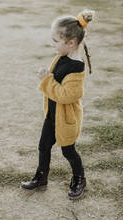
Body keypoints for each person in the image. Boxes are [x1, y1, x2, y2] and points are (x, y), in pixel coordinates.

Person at [21, 10, 95, 200]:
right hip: (52, 115)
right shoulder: (62, 57)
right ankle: (41, 176)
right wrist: (49, 78)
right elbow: (55, 85)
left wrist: (47, 80)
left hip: (66, 119)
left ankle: (79, 178)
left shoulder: (77, 68)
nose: (52, 44)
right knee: (43, 146)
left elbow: (67, 95)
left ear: (70, 43)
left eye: (55, 41)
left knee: (68, 151)